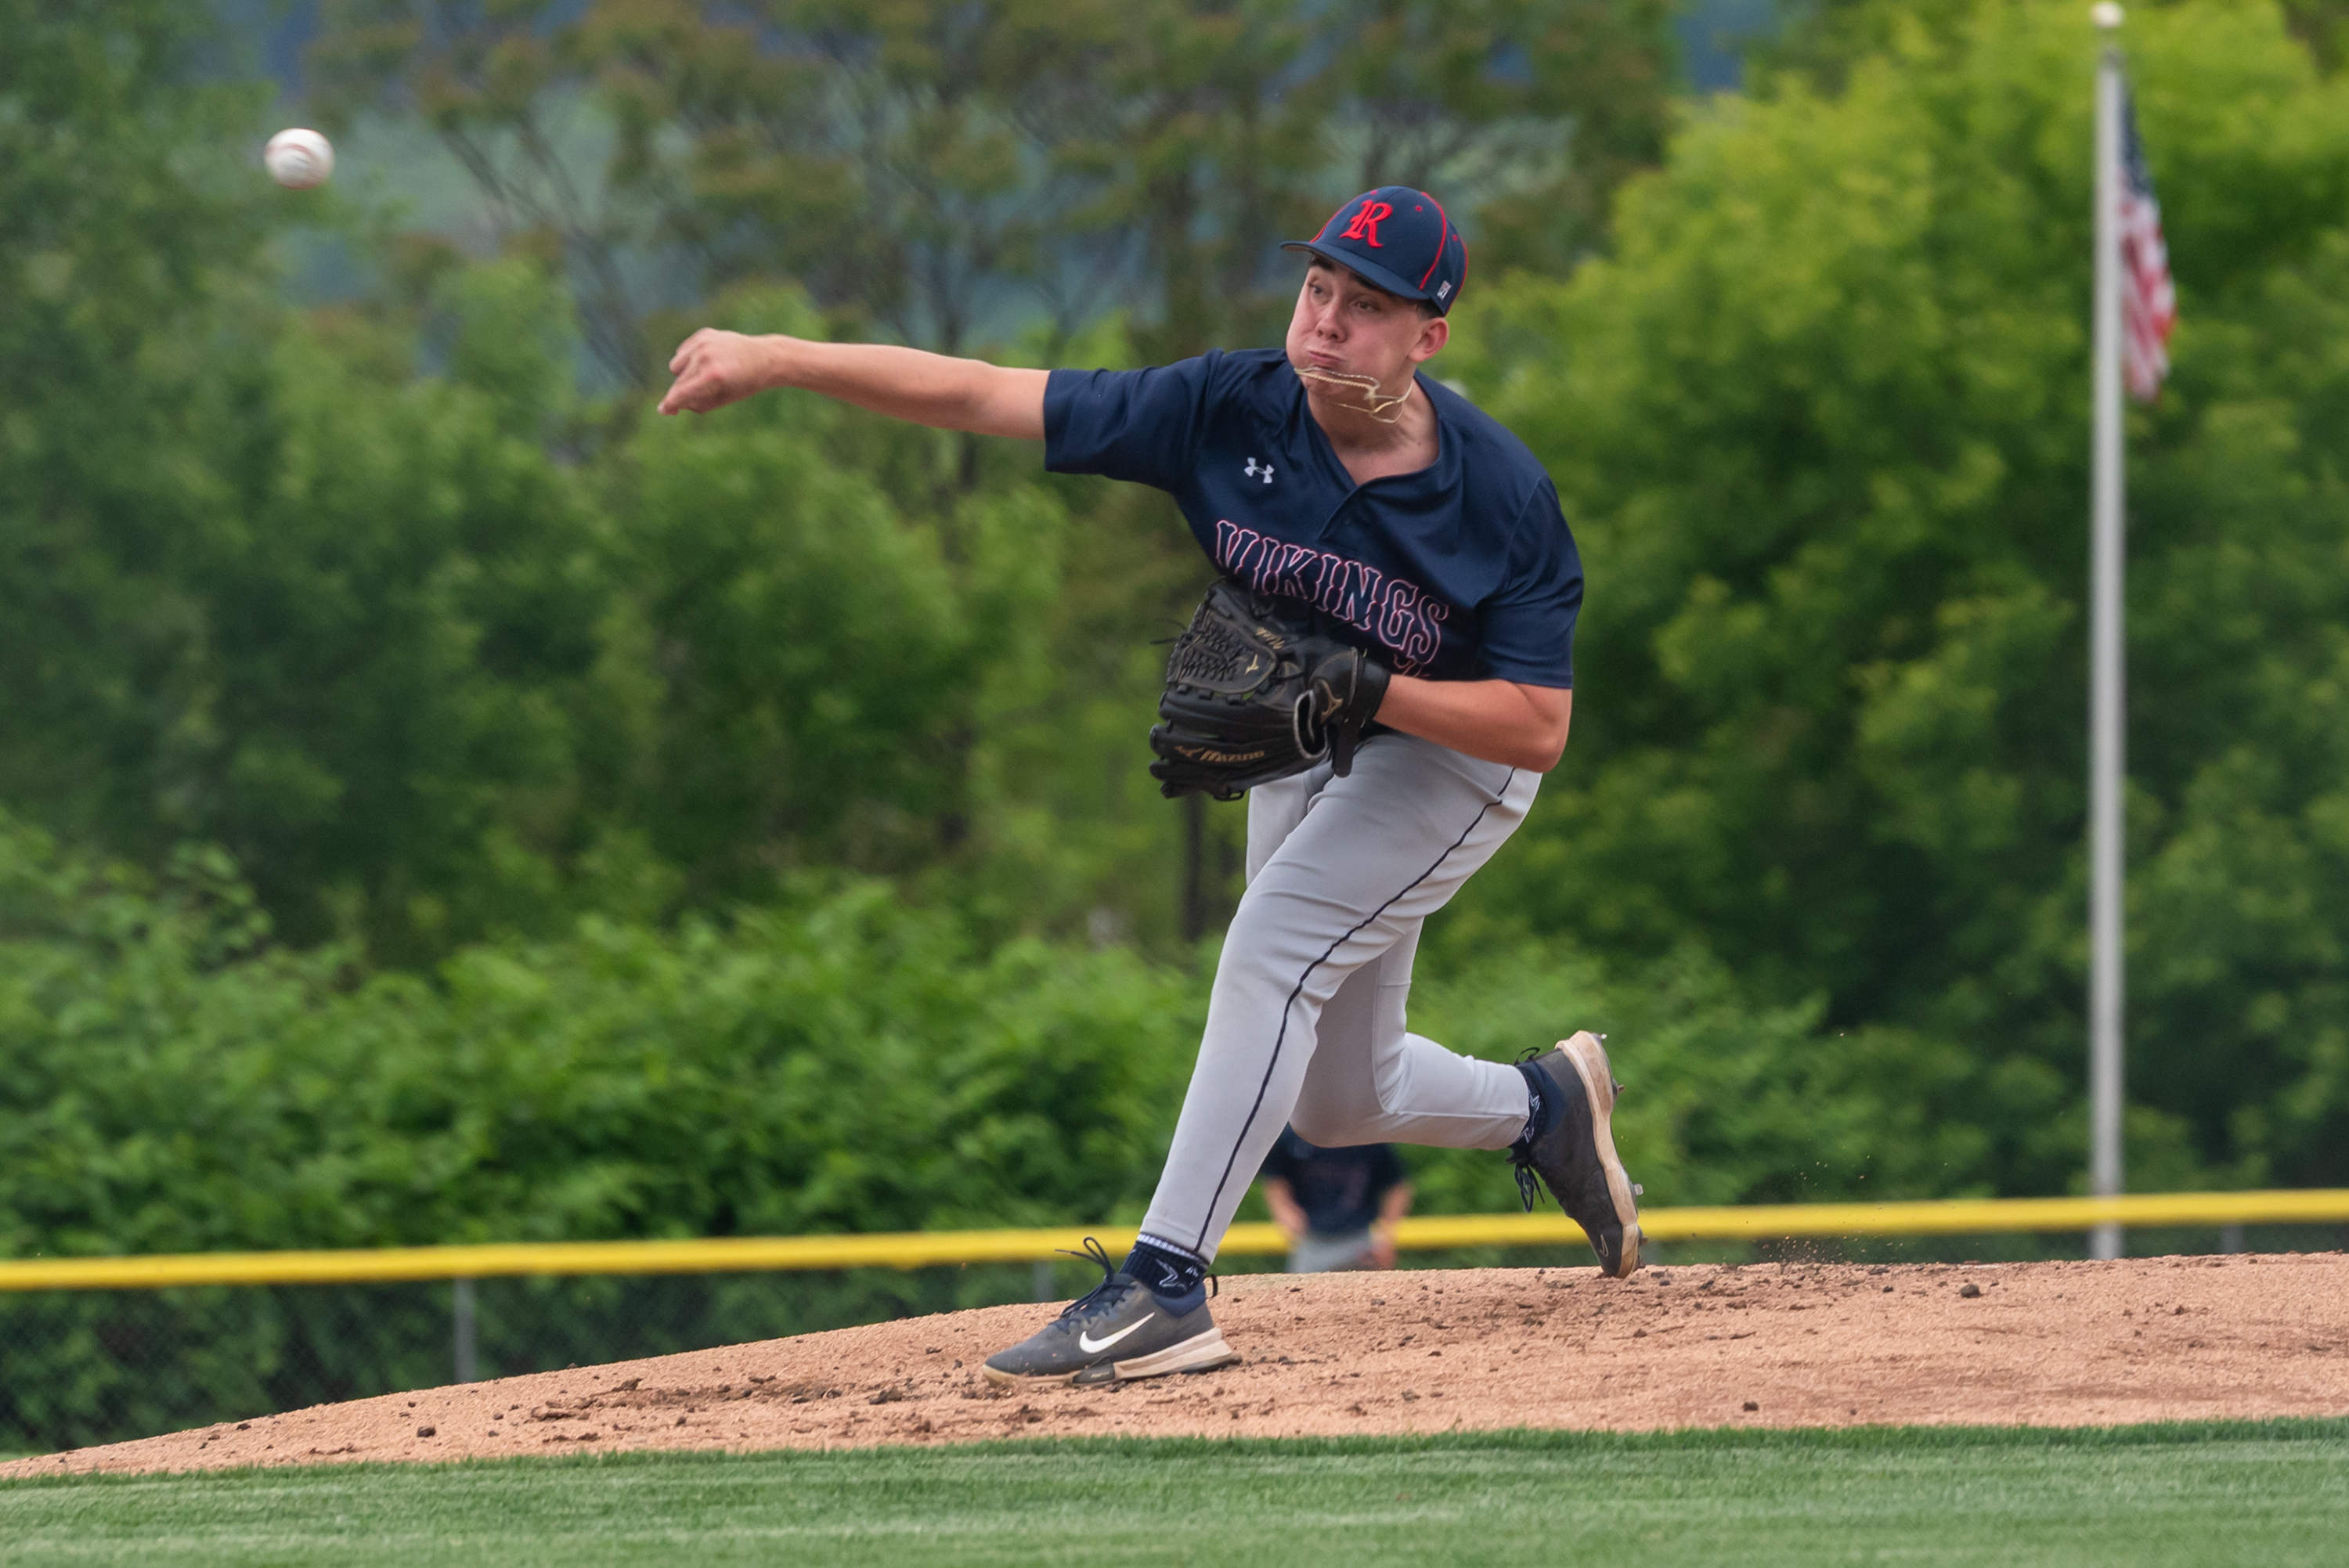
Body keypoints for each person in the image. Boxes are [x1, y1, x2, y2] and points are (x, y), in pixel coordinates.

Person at [659, 186, 1645, 1392]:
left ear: (1427, 337)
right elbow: (984, 390)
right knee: (1342, 1098)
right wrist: (775, 357)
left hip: (1455, 757)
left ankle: (1165, 1285)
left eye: (1367, 306)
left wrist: (1371, 686)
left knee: (1270, 948)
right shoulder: (1224, 406)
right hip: (1317, 736)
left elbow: (1538, 726)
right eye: (1319, 287)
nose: (1326, 322)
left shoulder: (1499, 495)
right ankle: (1540, 1103)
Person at [1259, 1128, 1412, 1273]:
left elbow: (1397, 1188)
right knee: (1303, 1294)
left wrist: (1386, 1233)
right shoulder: (1294, 1136)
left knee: (1371, 1295)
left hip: (1360, 1238)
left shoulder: (1369, 1138)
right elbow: (1275, 1179)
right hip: (1312, 1240)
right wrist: (1285, 1211)